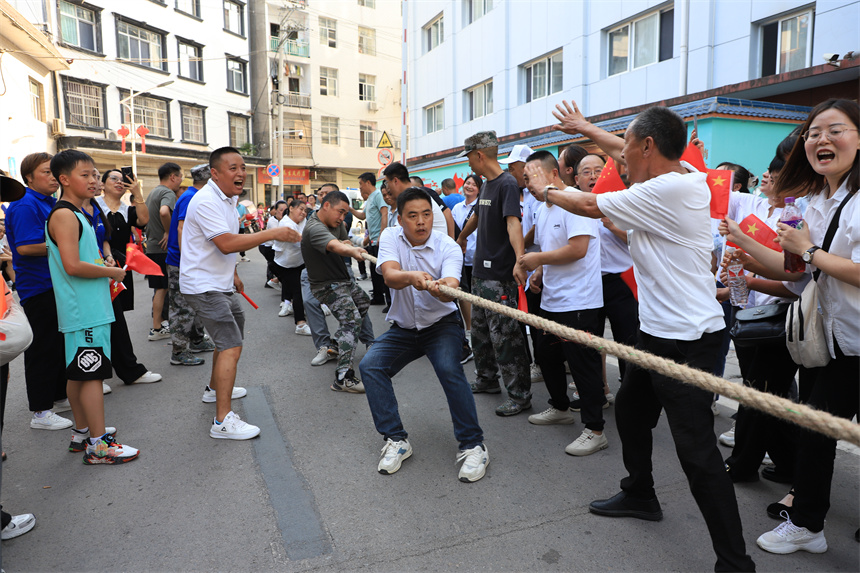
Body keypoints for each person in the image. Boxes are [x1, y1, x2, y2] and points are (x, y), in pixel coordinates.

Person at [545, 101, 756, 571]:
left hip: (687, 341)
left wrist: (546, 189)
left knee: (698, 454)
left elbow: (583, 202)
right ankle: (640, 493)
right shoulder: (680, 175)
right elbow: (625, 148)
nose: (620, 162)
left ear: (648, 147)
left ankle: (736, 564)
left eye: (628, 150)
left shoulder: (666, 189)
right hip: (656, 334)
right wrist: (584, 127)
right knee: (633, 413)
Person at [723, 98, 859, 555]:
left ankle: (806, 521)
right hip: (828, 343)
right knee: (815, 432)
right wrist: (744, 246)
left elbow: (816, 259)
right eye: (814, 133)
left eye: (835, 130)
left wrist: (810, 251)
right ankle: (807, 524)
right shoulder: (812, 201)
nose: (822, 139)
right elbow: (793, 271)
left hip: (856, 341)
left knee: (820, 432)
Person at [359, 187, 488, 481]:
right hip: (403, 328)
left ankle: (473, 445)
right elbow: (390, 275)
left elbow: (452, 285)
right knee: (370, 366)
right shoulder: (391, 237)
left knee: (448, 368)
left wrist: (444, 290)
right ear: (400, 219)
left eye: (426, 214)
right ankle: (396, 440)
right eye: (413, 216)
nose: (421, 222)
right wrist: (412, 277)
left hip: (441, 325)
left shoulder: (449, 247)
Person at [180, 147, 301, 439]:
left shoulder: (229, 199)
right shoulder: (206, 200)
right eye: (233, 168)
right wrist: (272, 233)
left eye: (243, 167)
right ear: (215, 173)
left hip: (220, 283)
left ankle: (214, 388)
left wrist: (232, 273)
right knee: (230, 344)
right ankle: (222, 421)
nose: (240, 173)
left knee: (233, 336)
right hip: (203, 285)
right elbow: (225, 242)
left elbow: (218, 244)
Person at [46, 149, 139, 463]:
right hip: (83, 309)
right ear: (64, 179)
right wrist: (112, 271)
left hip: (88, 306)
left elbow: (79, 260)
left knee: (78, 373)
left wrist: (103, 262)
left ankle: (82, 433)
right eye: (85, 174)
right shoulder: (64, 214)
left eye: (94, 174)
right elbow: (72, 265)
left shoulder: (77, 213)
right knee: (92, 374)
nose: (93, 180)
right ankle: (99, 446)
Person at [520, 151, 607, 456]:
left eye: (531, 177)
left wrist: (537, 259)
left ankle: (595, 429)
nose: (527, 184)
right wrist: (540, 272)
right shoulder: (542, 207)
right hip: (553, 299)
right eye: (525, 179)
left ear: (552, 173)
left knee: (583, 366)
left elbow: (578, 249)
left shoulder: (573, 202)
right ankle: (560, 407)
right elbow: (551, 247)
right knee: (545, 354)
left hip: (580, 300)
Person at [454, 132, 531, 417]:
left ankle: (519, 394)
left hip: (499, 274)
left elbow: (514, 224)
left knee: (506, 336)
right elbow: (476, 217)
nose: (469, 164)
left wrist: (519, 261)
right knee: (482, 332)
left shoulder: (508, 184)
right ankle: (487, 378)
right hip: (479, 272)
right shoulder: (486, 185)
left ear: (480, 155)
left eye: (470, 158)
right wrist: (461, 239)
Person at [5, 152, 72, 431]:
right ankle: (41, 411)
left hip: (55, 283)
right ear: (29, 178)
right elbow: (24, 247)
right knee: (42, 348)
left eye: (54, 172)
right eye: (46, 172)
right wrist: (66, 244)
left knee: (56, 344)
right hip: (38, 286)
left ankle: (57, 396)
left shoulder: (49, 202)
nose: (53, 177)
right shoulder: (24, 204)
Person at [88, 171, 162, 388]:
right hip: (98, 265)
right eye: (114, 178)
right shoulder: (92, 206)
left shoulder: (126, 209)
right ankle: (111, 371)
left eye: (123, 179)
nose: (120, 182)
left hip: (120, 265)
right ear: (102, 183)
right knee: (107, 319)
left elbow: (144, 220)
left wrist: (137, 190)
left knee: (114, 317)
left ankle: (105, 370)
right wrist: (106, 258)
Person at [302, 190, 370, 392]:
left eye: (345, 214)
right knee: (352, 320)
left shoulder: (337, 223)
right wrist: (351, 250)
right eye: (340, 212)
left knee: (363, 302)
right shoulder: (313, 227)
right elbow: (334, 245)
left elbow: (342, 241)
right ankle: (344, 378)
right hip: (325, 285)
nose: (342, 218)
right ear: (326, 206)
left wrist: (350, 243)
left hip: (342, 280)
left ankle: (338, 343)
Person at [165, 164, 217, 367]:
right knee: (182, 307)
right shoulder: (191, 197)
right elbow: (182, 228)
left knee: (195, 304)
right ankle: (179, 351)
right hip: (182, 263)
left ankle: (196, 339)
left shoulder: (192, 194)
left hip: (190, 261)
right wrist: (189, 260)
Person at [144, 162, 183, 341]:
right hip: (162, 248)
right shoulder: (168, 193)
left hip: (152, 247)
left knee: (160, 288)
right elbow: (164, 212)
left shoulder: (153, 192)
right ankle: (157, 327)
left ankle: (158, 325)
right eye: (180, 177)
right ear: (172, 177)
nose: (180, 181)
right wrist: (168, 231)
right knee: (163, 288)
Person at [350, 172, 389, 307]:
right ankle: (378, 296)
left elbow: (384, 213)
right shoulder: (370, 199)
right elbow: (362, 216)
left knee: (381, 270)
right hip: (372, 239)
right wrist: (349, 209)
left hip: (378, 239)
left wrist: (381, 235)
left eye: (361, 184)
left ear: (368, 183)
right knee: (374, 269)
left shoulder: (378, 195)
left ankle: (383, 298)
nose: (360, 187)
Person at [272, 199, 310, 335]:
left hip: (299, 262)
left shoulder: (302, 222)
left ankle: (289, 305)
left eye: (306, 210)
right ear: (291, 208)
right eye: (301, 209)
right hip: (285, 264)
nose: (303, 213)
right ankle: (300, 324)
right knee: (298, 292)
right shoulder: (285, 224)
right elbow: (302, 239)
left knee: (297, 290)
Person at [451, 174, 481, 339]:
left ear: (479, 189)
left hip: (476, 258)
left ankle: (477, 330)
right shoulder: (457, 208)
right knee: (464, 293)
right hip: (460, 257)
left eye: (474, 185)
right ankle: (469, 330)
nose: (469, 186)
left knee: (476, 296)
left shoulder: (481, 206)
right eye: (467, 183)